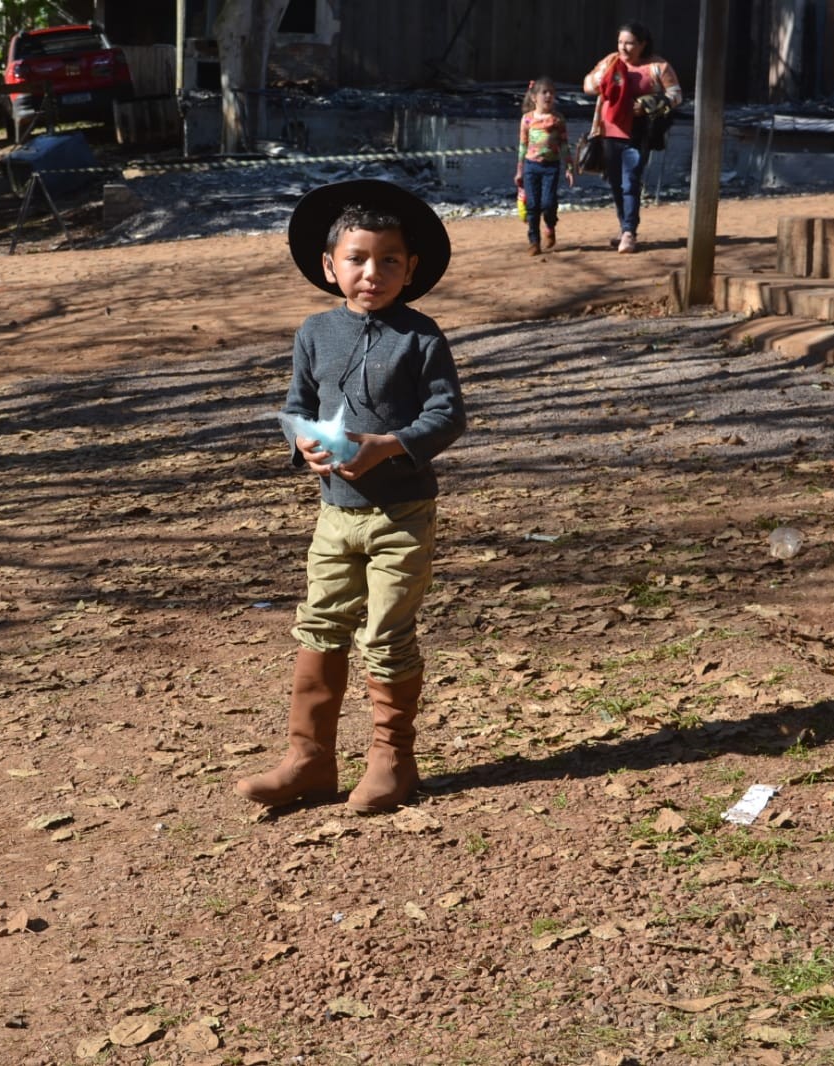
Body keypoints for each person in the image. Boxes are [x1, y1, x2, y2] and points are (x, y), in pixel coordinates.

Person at [235, 179, 467, 815]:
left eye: (389, 259)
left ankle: (394, 761)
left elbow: (447, 417)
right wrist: (302, 445)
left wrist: (388, 445)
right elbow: (296, 407)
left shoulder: (421, 338)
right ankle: (308, 760)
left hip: (402, 516)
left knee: (388, 635)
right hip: (334, 515)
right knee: (321, 625)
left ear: (411, 268)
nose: (373, 273)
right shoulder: (315, 332)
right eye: (358, 259)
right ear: (329, 265)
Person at [582, 22, 681, 254]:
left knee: (631, 180)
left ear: (642, 44)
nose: (623, 48)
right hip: (609, 130)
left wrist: (649, 104)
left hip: (639, 133)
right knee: (616, 183)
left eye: (629, 43)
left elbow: (675, 95)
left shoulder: (658, 66)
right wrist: (602, 79)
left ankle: (629, 232)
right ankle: (624, 225)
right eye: (620, 42)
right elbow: (587, 85)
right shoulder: (611, 61)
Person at [514, 76, 575, 256]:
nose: (548, 96)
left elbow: (564, 145)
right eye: (544, 92)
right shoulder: (527, 119)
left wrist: (569, 168)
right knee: (532, 205)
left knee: (548, 203)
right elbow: (522, 146)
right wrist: (519, 170)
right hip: (531, 167)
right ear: (534, 97)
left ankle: (550, 224)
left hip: (551, 167)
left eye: (552, 92)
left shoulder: (557, 119)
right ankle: (534, 241)